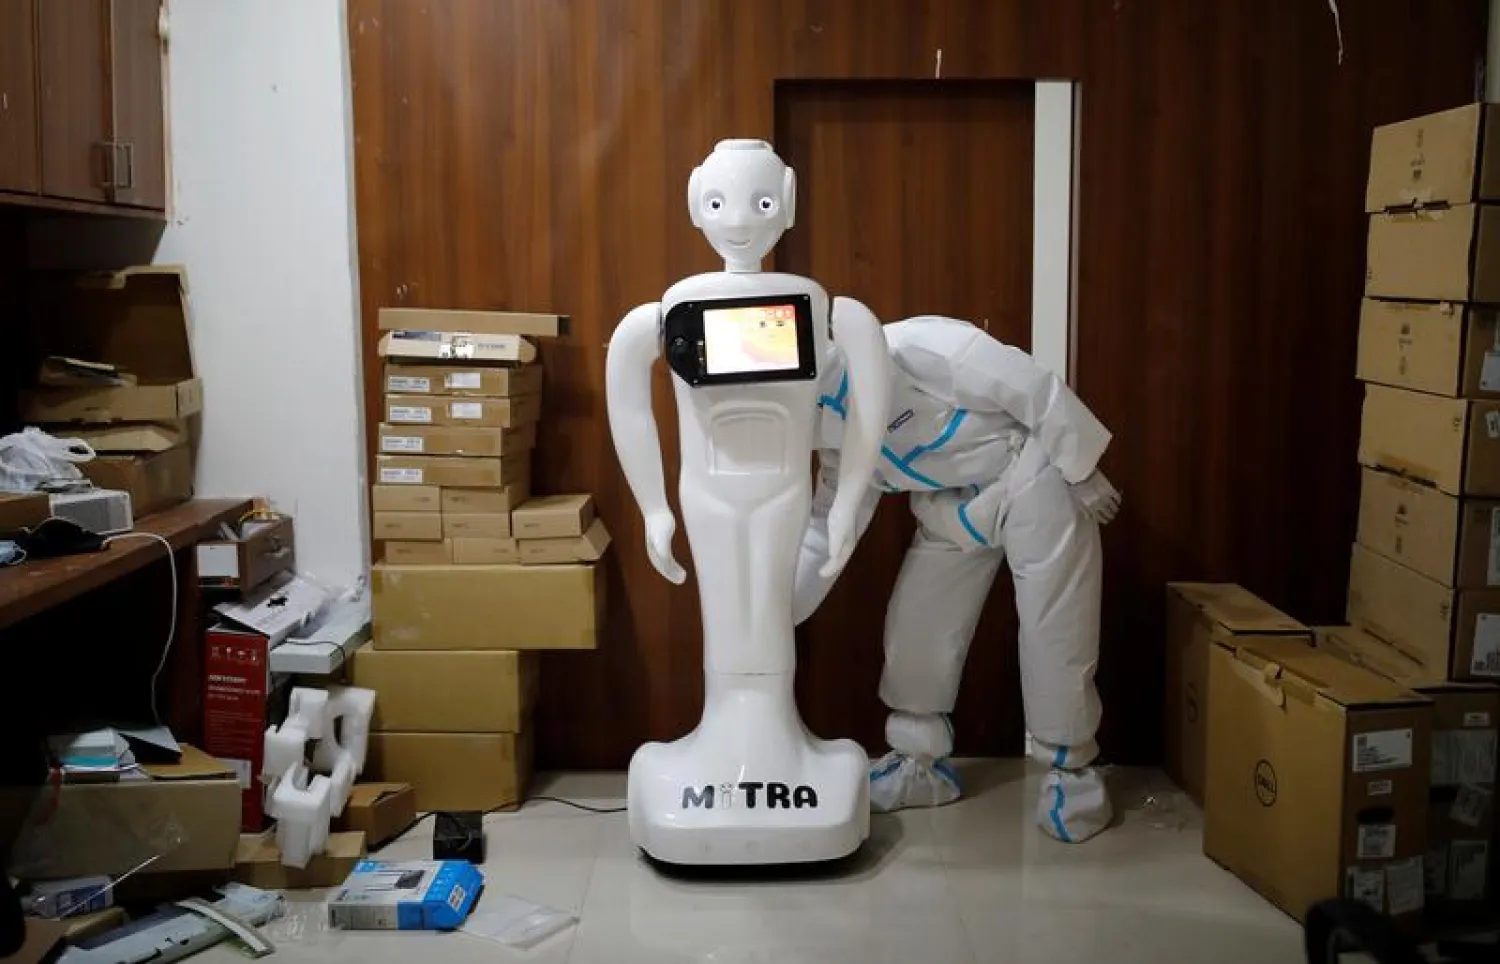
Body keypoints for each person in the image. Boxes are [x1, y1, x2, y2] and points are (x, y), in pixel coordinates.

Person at [792, 314, 1121, 843]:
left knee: (1054, 627)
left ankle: (1072, 771)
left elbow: (1028, 384)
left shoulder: (917, 345)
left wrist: (1080, 466)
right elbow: (828, 528)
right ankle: (920, 761)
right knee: (918, 624)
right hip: (951, 506)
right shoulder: (826, 436)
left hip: (1030, 475)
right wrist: (776, 611)